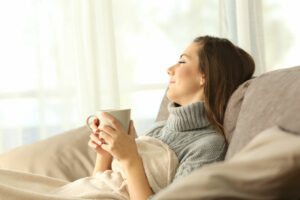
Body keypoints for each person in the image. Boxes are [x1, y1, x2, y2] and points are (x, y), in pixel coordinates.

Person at [88, 35, 255, 200]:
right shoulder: (158, 128)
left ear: (204, 76)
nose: (169, 70)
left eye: (182, 62)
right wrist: (104, 154)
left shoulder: (209, 146)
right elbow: (99, 187)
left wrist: (130, 159)